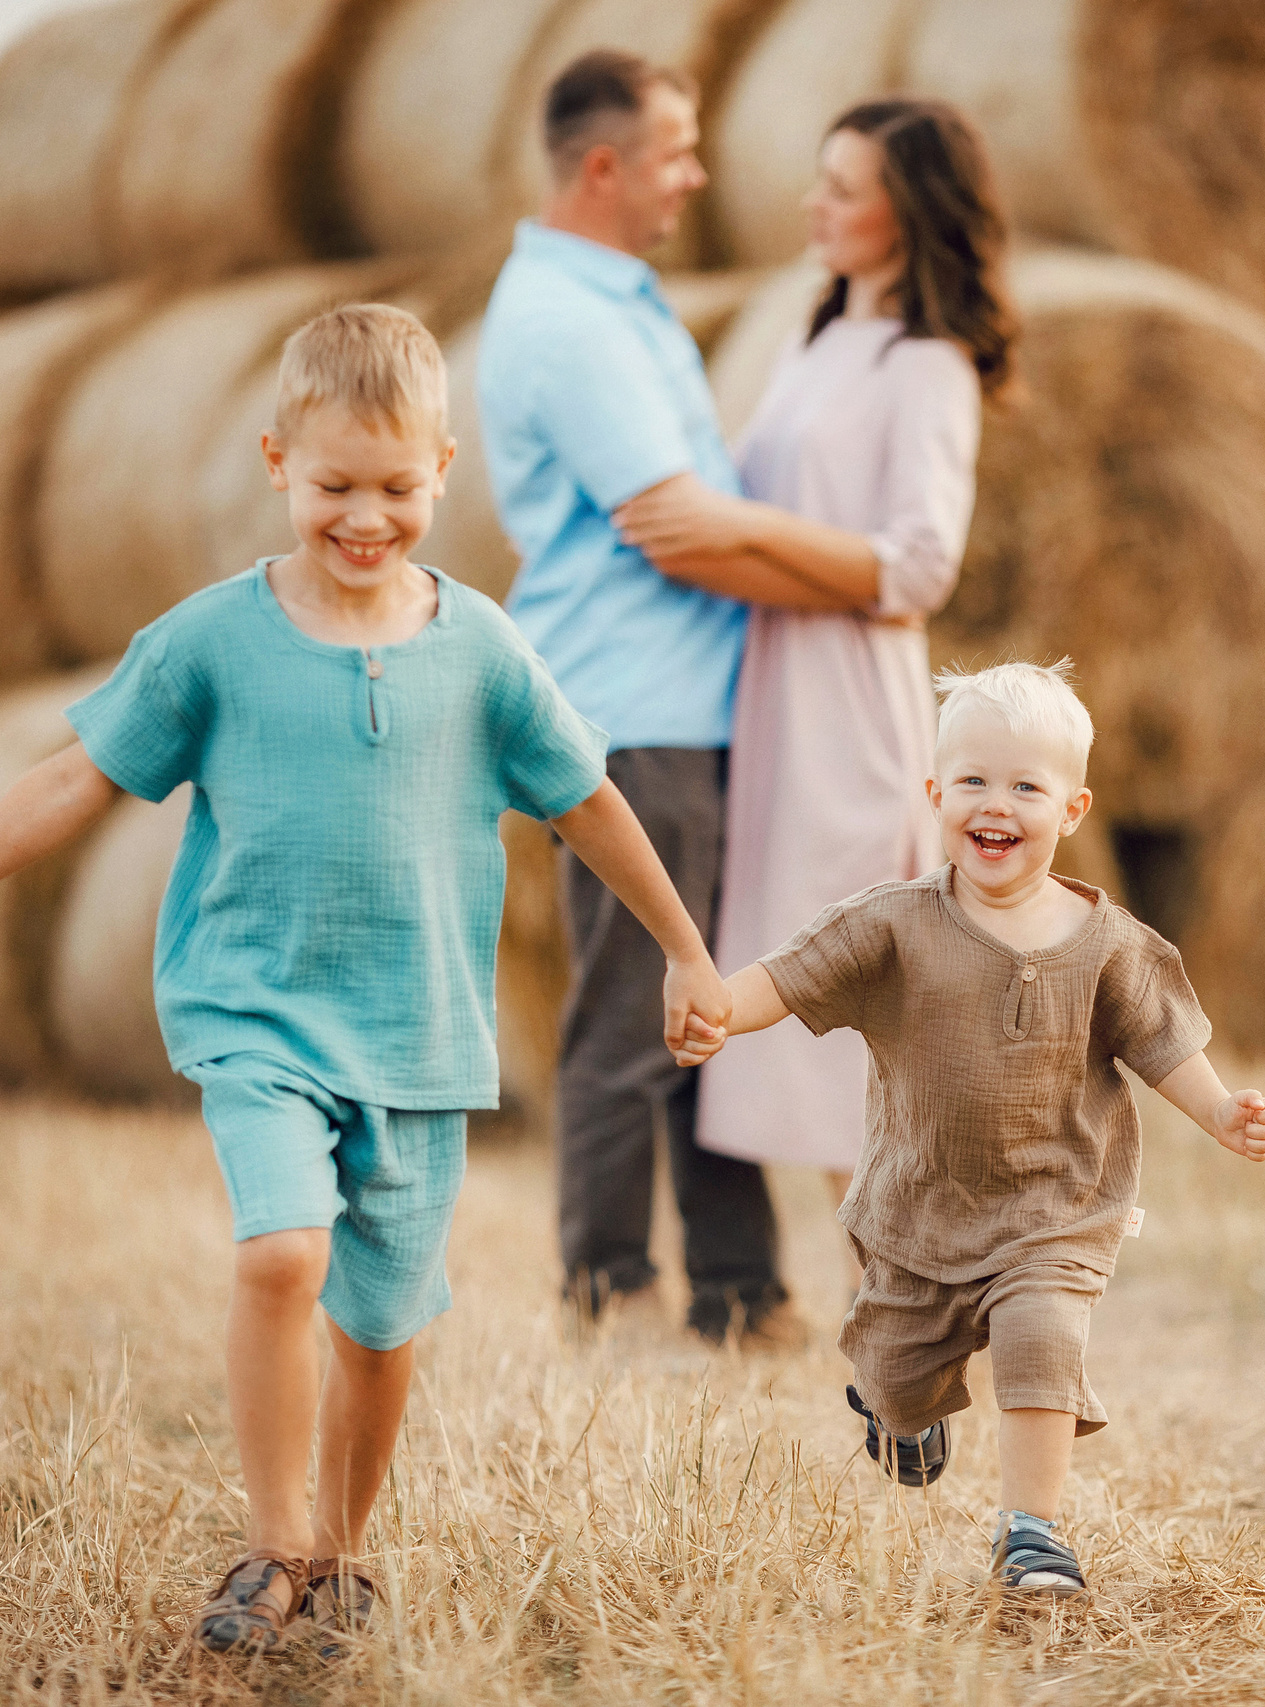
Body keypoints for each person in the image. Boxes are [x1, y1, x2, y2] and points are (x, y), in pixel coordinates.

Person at [0, 305, 729, 1656]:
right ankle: (272, 1541)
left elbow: (588, 800)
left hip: (417, 1031)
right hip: (257, 1012)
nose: (366, 516)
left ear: (443, 471)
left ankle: (343, 1554)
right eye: (334, 484)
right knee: (283, 1251)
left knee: (381, 1328)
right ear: (276, 461)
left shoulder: (481, 648)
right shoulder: (213, 640)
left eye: (397, 487)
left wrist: (688, 949)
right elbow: (73, 778)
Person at [675, 661, 1265, 1596]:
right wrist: (721, 1007)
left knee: (1043, 1334)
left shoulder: (1105, 942)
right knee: (898, 1376)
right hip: (918, 1209)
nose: (996, 803)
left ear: (1073, 810)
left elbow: (1162, 1042)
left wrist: (1220, 1111)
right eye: (973, 780)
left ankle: (1030, 1533)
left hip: (1055, 1208)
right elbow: (794, 972)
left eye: (1025, 787)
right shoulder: (893, 924)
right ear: (934, 795)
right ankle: (903, 1410)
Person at [613, 99, 1013, 1211]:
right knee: (810, 1020)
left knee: (862, 1020)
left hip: (852, 715)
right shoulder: (817, 336)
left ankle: (914, 1300)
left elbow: (918, 567)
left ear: (909, 212)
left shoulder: (928, 364)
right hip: (779, 699)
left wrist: (735, 529)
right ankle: (883, 1296)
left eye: (842, 188)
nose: (812, 205)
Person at [476, 49, 801, 1348]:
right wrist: (857, 579)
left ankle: (738, 1289)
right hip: (635, 713)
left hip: (677, 707)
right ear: (604, 166)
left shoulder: (612, 300)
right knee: (629, 1016)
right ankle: (606, 1289)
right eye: (676, 152)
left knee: (698, 1007)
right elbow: (670, 524)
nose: (697, 175)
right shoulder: (570, 319)